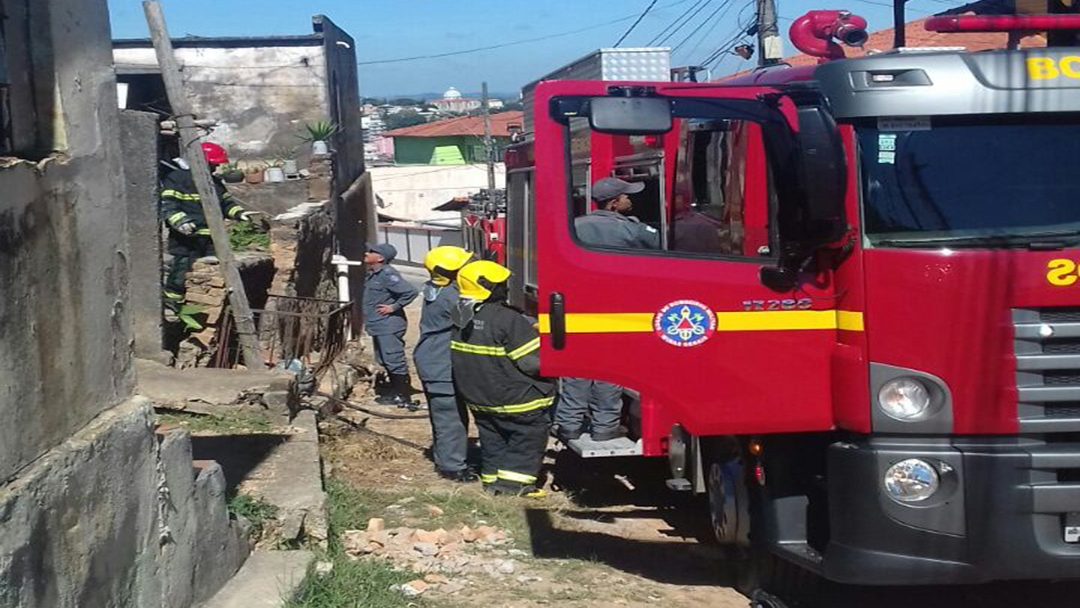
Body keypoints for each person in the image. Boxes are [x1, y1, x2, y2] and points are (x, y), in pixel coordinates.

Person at [558, 177, 660, 443]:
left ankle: (569, 425)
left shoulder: (573, 226)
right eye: (626, 196)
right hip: (614, 312)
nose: (630, 200)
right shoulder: (630, 229)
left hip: (577, 311)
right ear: (614, 203)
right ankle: (604, 427)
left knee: (577, 370)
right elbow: (659, 243)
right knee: (608, 371)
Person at [450, 261, 554, 497]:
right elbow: (532, 363)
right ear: (488, 287)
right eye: (501, 284)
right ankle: (513, 487)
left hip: (478, 398)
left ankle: (491, 480)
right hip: (517, 399)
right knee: (527, 438)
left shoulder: (460, 314)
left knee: (493, 437)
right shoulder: (507, 319)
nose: (506, 288)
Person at [161, 142, 256, 327]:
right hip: (185, 237)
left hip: (212, 238)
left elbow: (227, 205)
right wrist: (180, 221)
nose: (215, 168)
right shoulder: (178, 179)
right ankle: (172, 304)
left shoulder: (215, 183)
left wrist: (240, 214)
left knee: (211, 271)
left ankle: (204, 305)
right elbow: (168, 204)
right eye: (213, 164)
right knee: (181, 270)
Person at [414, 245, 476, 482]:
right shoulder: (451, 296)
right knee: (449, 416)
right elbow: (471, 318)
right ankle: (452, 467)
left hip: (433, 359)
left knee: (449, 414)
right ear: (450, 272)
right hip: (439, 364)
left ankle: (449, 458)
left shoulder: (437, 288)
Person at [363, 243, 419, 407]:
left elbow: (410, 292)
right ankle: (396, 390)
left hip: (389, 325)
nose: (367, 253)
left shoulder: (388, 274)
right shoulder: (374, 274)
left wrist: (393, 307)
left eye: (371, 252)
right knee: (384, 359)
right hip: (378, 324)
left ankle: (403, 396)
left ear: (380, 258)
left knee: (394, 359)